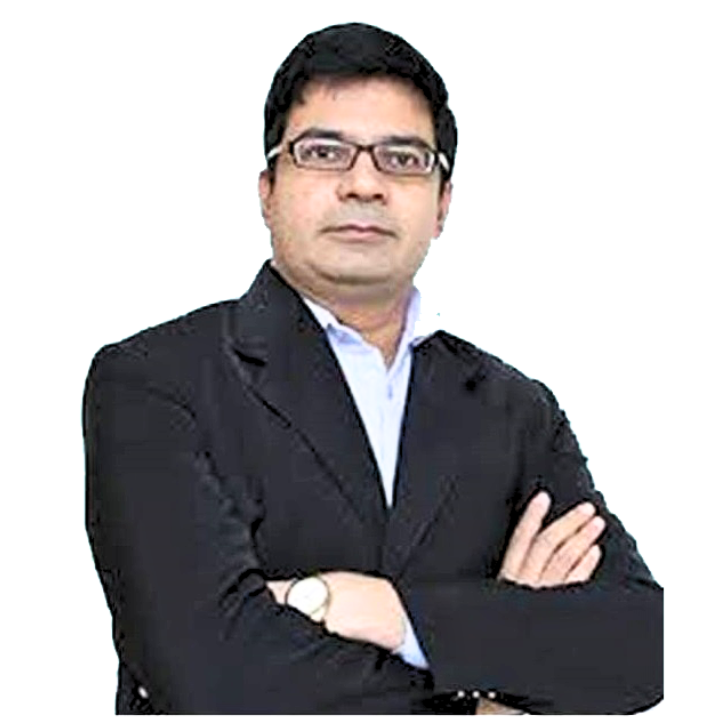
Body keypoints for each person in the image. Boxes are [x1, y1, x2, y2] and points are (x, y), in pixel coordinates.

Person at [83, 22, 663, 715]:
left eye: (403, 158)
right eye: (324, 152)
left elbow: (643, 646)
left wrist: (384, 609)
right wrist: (487, 685)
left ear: (443, 204)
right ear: (267, 190)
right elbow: (213, 676)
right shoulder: (155, 381)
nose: (364, 183)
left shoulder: (514, 410)